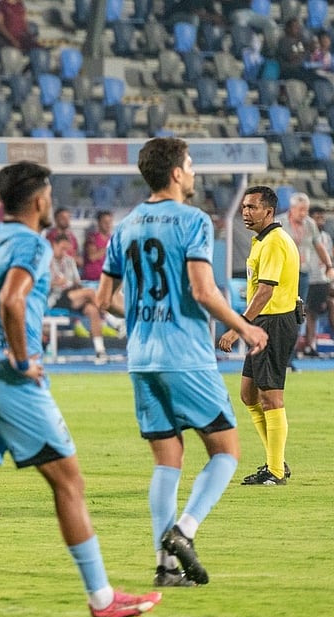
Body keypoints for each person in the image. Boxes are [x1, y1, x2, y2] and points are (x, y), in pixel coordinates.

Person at [0, 160, 162, 617]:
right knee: (69, 482)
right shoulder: (32, 245)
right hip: (8, 375)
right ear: (40, 200)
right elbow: (12, 299)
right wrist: (22, 360)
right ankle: (102, 598)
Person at [96, 138, 267, 587]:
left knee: (167, 460)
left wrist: (141, 313)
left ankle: (165, 566)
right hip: (185, 356)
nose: (193, 172)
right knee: (227, 451)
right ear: (175, 173)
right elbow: (202, 290)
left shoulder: (126, 225)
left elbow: (104, 300)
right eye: (189, 165)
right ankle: (184, 531)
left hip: (142, 359)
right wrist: (246, 328)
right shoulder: (193, 221)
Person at [217, 187, 300, 486]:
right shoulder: (263, 241)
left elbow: (265, 291)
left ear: (269, 211)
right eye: (243, 207)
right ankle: (276, 460)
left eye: (252, 207)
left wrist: (237, 327)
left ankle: (275, 470)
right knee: (248, 394)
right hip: (266, 321)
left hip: (273, 323)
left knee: (270, 396)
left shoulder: (275, 242)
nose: (245, 212)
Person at [285, 193, 334, 357]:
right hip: (285, 274)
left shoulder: (310, 225)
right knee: (284, 312)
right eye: (301, 210)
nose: (304, 213)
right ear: (292, 209)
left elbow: (319, 246)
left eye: (306, 210)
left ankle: (292, 353)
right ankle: (278, 352)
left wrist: (329, 266)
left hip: (304, 275)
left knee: (300, 312)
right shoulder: (280, 223)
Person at [48, 231, 108, 363]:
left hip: (72, 295)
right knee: (91, 292)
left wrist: (71, 284)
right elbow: (40, 284)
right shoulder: (47, 262)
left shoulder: (69, 261)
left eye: (66, 249)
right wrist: (55, 283)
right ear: (54, 245)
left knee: (92, 310)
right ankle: (110, 318)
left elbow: (77, 282)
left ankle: (100, 350)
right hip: (55, 298)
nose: (64, 252)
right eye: (61, 248)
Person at [81, 210, 113, 283]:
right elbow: (92, 257)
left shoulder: (113, 240)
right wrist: (107, 248)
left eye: (110, 222)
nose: (108, 224)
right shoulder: (92, 238)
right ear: (99, 223)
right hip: (92, 280)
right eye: (105, 222)